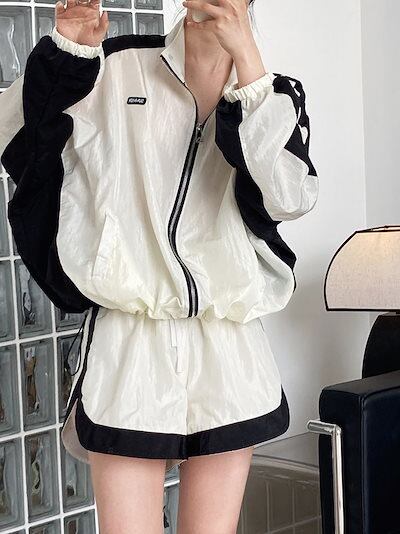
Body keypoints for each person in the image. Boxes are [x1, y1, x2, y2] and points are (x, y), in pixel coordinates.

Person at [0, 0, 318, 532]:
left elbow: (289, 197)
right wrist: (67, 55)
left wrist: (248, 64)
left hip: (228, 351)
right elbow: (16, 136)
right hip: (130, 348)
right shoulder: (115, 65)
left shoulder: (273, 96)